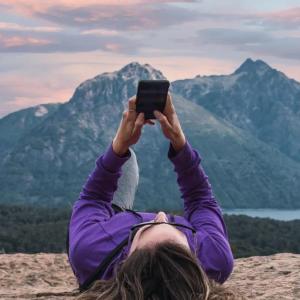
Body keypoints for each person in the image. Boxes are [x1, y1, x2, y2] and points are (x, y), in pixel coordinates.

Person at [68, 93, 242, 299]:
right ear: (192, 261)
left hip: (110, 217)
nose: (160, 215)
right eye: (178, 229)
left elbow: (94, 199)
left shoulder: (91, 250)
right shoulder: (216, 259)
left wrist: (118, 147)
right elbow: (200, 200)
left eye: (144, 229)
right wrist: (180, 143)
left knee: (127, 158)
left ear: (128, 258)